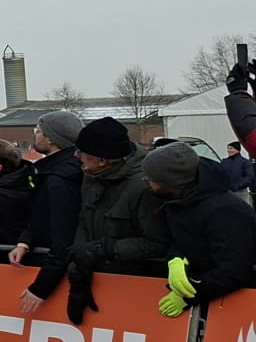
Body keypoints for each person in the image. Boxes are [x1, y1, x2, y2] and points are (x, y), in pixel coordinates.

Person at [21, 116, 169, 324]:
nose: (77, 156)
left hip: (135, 287)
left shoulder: (144, 187)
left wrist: (105, 248)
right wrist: (78, 264)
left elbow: (158, 243)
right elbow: (84, 218)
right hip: (96, 278)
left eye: (82, 153)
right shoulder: (92, 174)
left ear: (103, 160)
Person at [141, 141, 256, 317]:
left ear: (171, 181)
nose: (145, 182)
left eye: (150, 179)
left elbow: (234, 270)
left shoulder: (226, 211)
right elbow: (182, 239)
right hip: (206, 296)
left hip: (229, 305)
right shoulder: (177, 200)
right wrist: (175, 258)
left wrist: (191, 294)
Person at [11, 111, 84, 269]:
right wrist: (25, 242)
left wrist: (41, 288)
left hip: (51, 264)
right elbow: (40, 214)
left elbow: (62, 238)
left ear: (51, 138)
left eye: (37, 131)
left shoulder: (60, 178)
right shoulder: (53, 171)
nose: (35, 136)